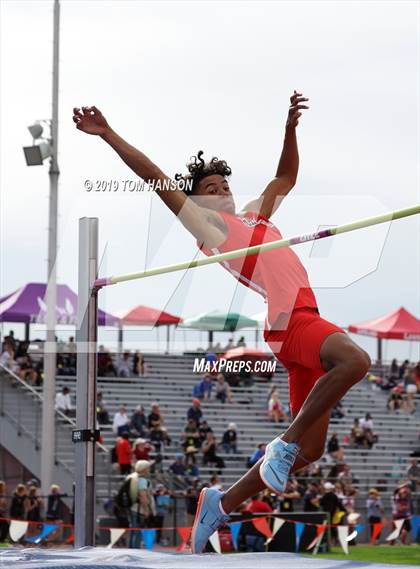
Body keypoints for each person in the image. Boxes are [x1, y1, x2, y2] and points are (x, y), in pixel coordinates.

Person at [73, 91, 372, 554]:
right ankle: (281, 445)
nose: (220, 192)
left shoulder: (256, 215)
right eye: (209, 188)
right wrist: (108, 134)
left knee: (312, 451)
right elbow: (154, 176)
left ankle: (221, 500)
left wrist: (290, 130)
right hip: (290, 323)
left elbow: (285, 177)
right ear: (198, 201)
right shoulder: (210, 229)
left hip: (305, 320)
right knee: (355, 360)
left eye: (222, 185)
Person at [128, 460, 155, 548]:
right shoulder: (142, 480)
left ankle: (131, 550)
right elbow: (143, 495)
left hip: (132, 508)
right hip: (139, 509)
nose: (149, 470)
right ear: (143, 469)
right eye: (148, 468)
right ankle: (135, 551)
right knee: (138, 531)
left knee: (133, 531)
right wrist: (146, 510)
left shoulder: (131, 477)